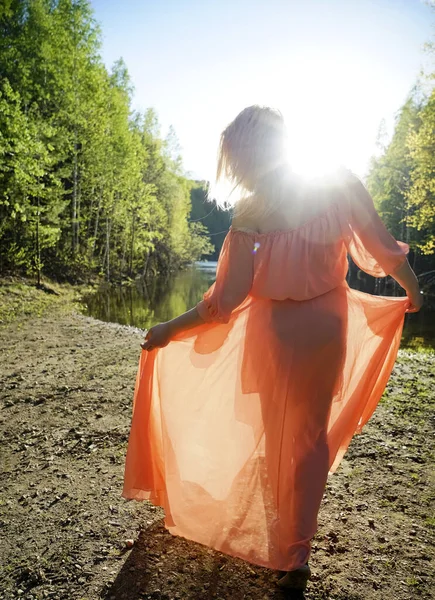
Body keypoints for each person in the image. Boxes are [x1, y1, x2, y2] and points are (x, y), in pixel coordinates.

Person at [122, 106, 422, 591]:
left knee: (271, 431)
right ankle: (295, 552)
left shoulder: (252, 212)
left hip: (271, 332)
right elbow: (382, 249)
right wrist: (413, 291)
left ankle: (274, 528)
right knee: (309, 437)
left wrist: (169, 328)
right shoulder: (338, 183)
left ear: (243, 156)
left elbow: (226, 301)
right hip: (326, 326)